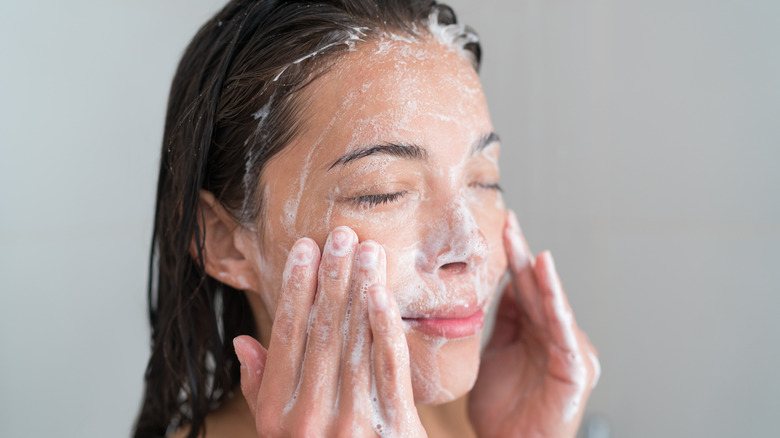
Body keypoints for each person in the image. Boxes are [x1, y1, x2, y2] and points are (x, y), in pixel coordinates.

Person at [133, 0, 600, 437]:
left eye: (483, 181)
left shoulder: (475, 420)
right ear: (223, 239)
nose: (471, 245)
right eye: (384, 192)